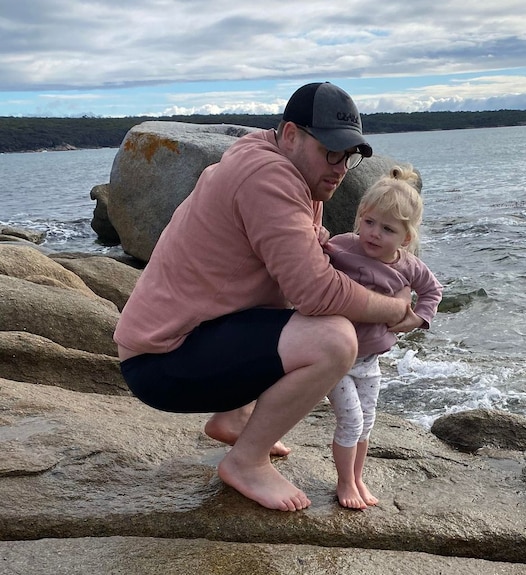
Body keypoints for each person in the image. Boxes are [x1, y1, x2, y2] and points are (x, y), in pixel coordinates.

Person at [114, 82, 421, 512]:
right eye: (330, 151)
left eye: (348, 156)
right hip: (163, 361)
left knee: (287, 312)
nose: (339, 167)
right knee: (335, 339)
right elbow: (315, 292)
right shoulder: (268, 177)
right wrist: (394, 309)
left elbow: (303, 256)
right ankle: (246, 462)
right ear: (291, 134)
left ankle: (235, 418)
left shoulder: (277, 165)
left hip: (184, 342)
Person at [324, 166, 443, 509]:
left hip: (371, 361)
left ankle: (358, 477)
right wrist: (317, 237)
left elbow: (432, 291)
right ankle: (345, 482)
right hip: (338, 359)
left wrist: (417, 319)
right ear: (360, 217)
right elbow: (312, 259)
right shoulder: (343, 247)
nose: (374, 234)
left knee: (368, 422)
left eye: (388, 229)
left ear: (406, 238)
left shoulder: (409, 265)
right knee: (351, 420)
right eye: (369, 222)